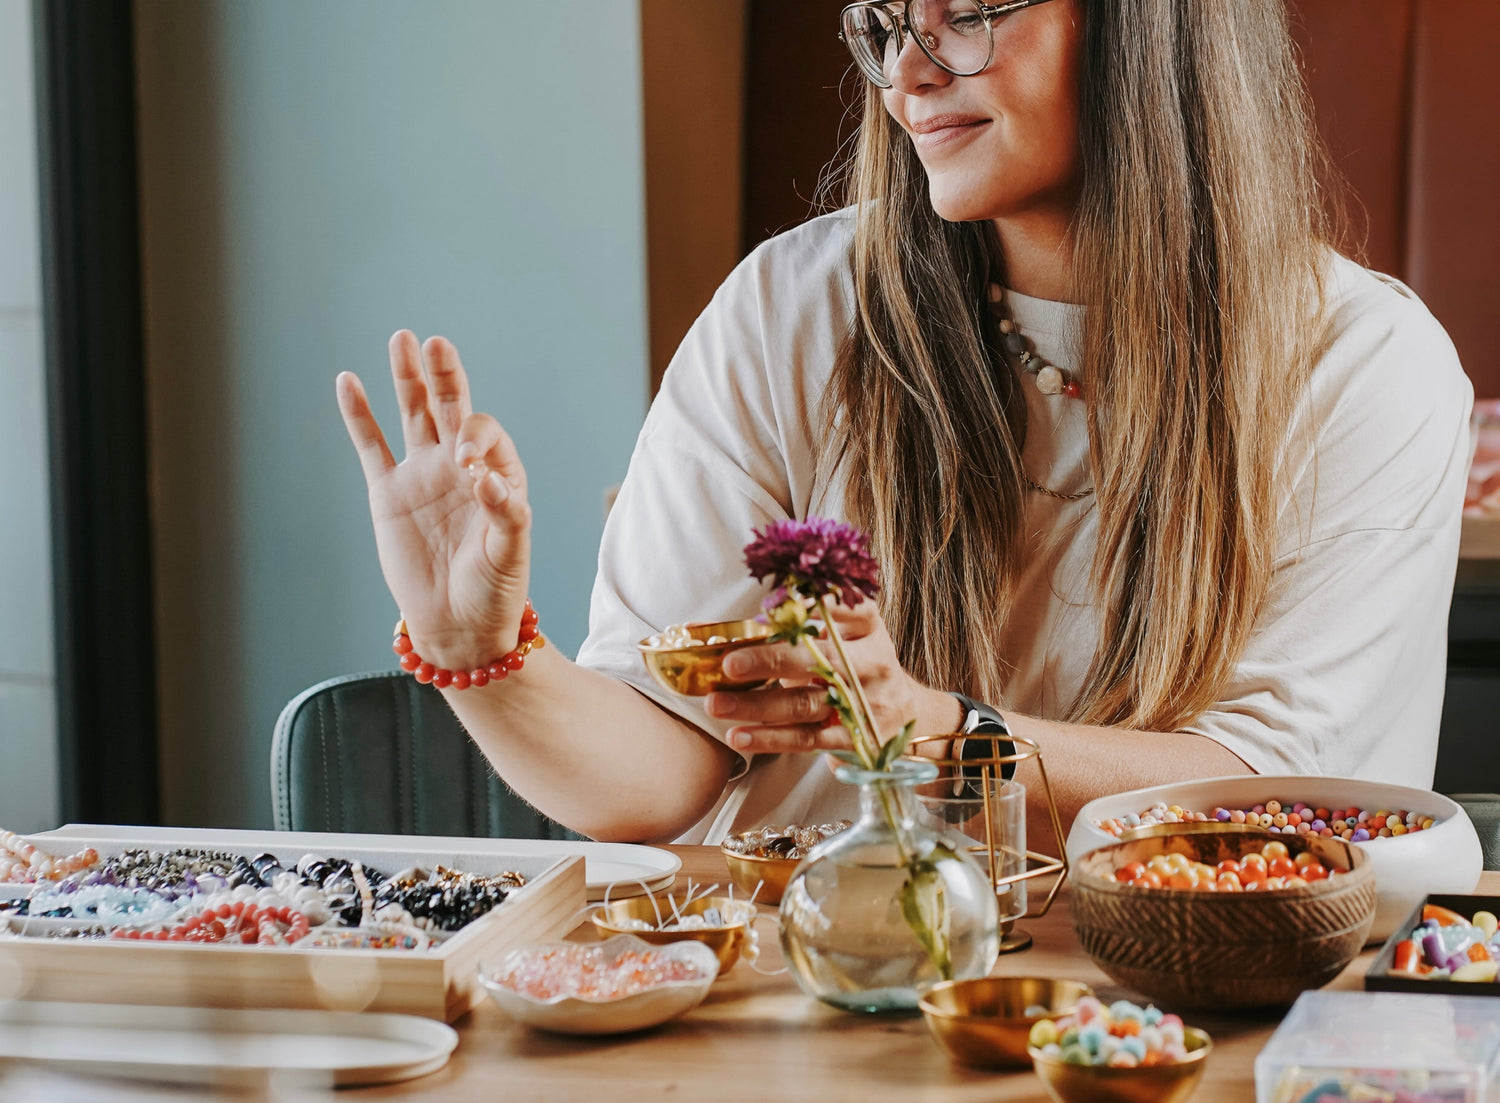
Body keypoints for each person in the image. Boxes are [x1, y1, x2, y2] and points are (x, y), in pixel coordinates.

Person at [335, 0, 1471, 846]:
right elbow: (663, 772)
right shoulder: (790, 309)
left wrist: (933, 729)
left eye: (969, 10)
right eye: (884, 21)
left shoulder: (1368, 367)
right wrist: (483, 651)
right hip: (800, 1015)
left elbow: (1272, 794)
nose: (911, 73)